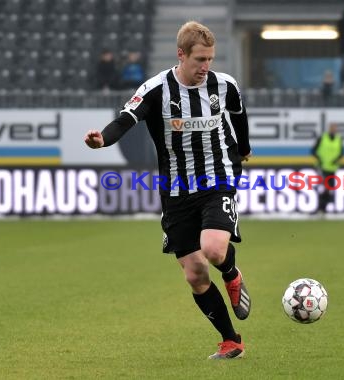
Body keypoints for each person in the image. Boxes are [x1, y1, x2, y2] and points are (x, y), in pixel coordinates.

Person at [84, 21, 252, 360]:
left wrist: (244, 148)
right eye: (199, 60)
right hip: (175, 191)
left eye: (210, 59)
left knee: (214, 250)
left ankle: (232, 275)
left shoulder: (225, 85)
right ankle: (230, 340)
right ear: (181, 55)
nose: (206, 67)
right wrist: (103, 139)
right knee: (194, 273)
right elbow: (126, 119)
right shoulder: (156, 89)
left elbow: (238, 114)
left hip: (217, 178)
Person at [311, 123, 344, 213]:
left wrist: (336, 160)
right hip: (322, 167)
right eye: (332, 128)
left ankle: (324, 207)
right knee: (324, 187)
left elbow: (342, 153)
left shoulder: (338, 139)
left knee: (329, 188)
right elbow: (313, 150)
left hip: (333, 168)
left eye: (335, 128)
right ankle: (321, 207)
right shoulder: (322, 138)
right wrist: (320, 160)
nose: (334, 129)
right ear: (329, 128)